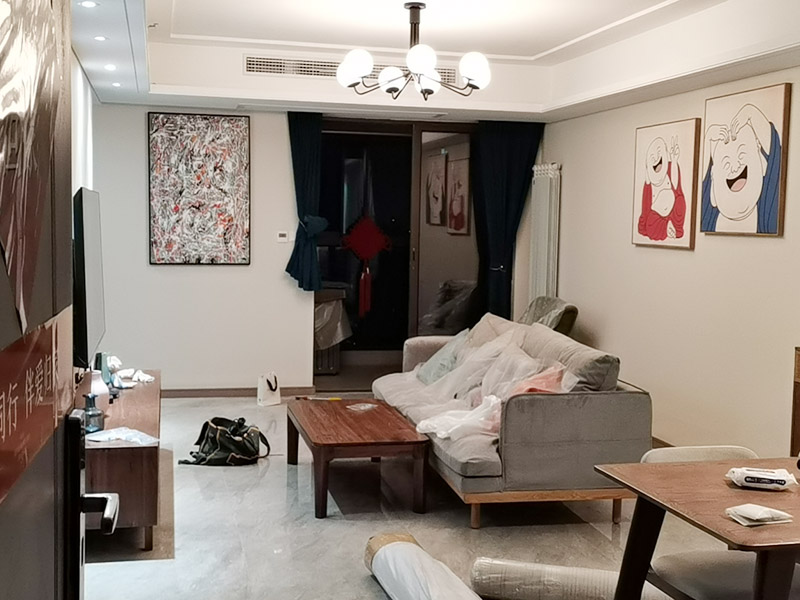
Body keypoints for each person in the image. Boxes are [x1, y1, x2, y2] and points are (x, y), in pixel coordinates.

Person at [701, 103, 781, 234]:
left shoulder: (767, 214)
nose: (735, 167)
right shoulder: (707, 219)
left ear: (763, 164)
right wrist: (708, 139)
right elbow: (699, 182)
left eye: (742, 154)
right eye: (726, 163)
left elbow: (776, 154)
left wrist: (750, 113)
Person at [638, 136, 685, 241]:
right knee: (651, 224)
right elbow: (646, 206)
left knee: (680, 202)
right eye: (652, 158)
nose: (656, 159)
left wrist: (674, 160)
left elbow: (676, 187)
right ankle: (665, 226)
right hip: (656, 220)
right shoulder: (649, 180)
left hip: (672, 215)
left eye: (659, 154)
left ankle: (670, 225)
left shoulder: (670, 168)